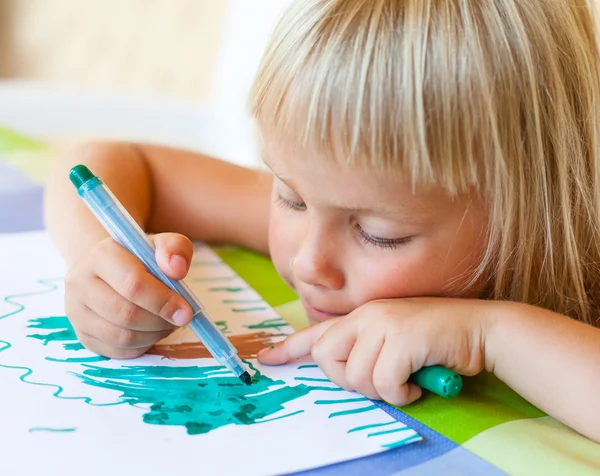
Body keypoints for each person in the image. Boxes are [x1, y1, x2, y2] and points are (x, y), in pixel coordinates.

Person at [44, 0, 600, 442]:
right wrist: (106, 266)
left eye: (379, 234)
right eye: (289, 198)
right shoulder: (338, 194)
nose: (309, 261)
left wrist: (491, 333)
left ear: (539, 214)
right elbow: (107, 164)